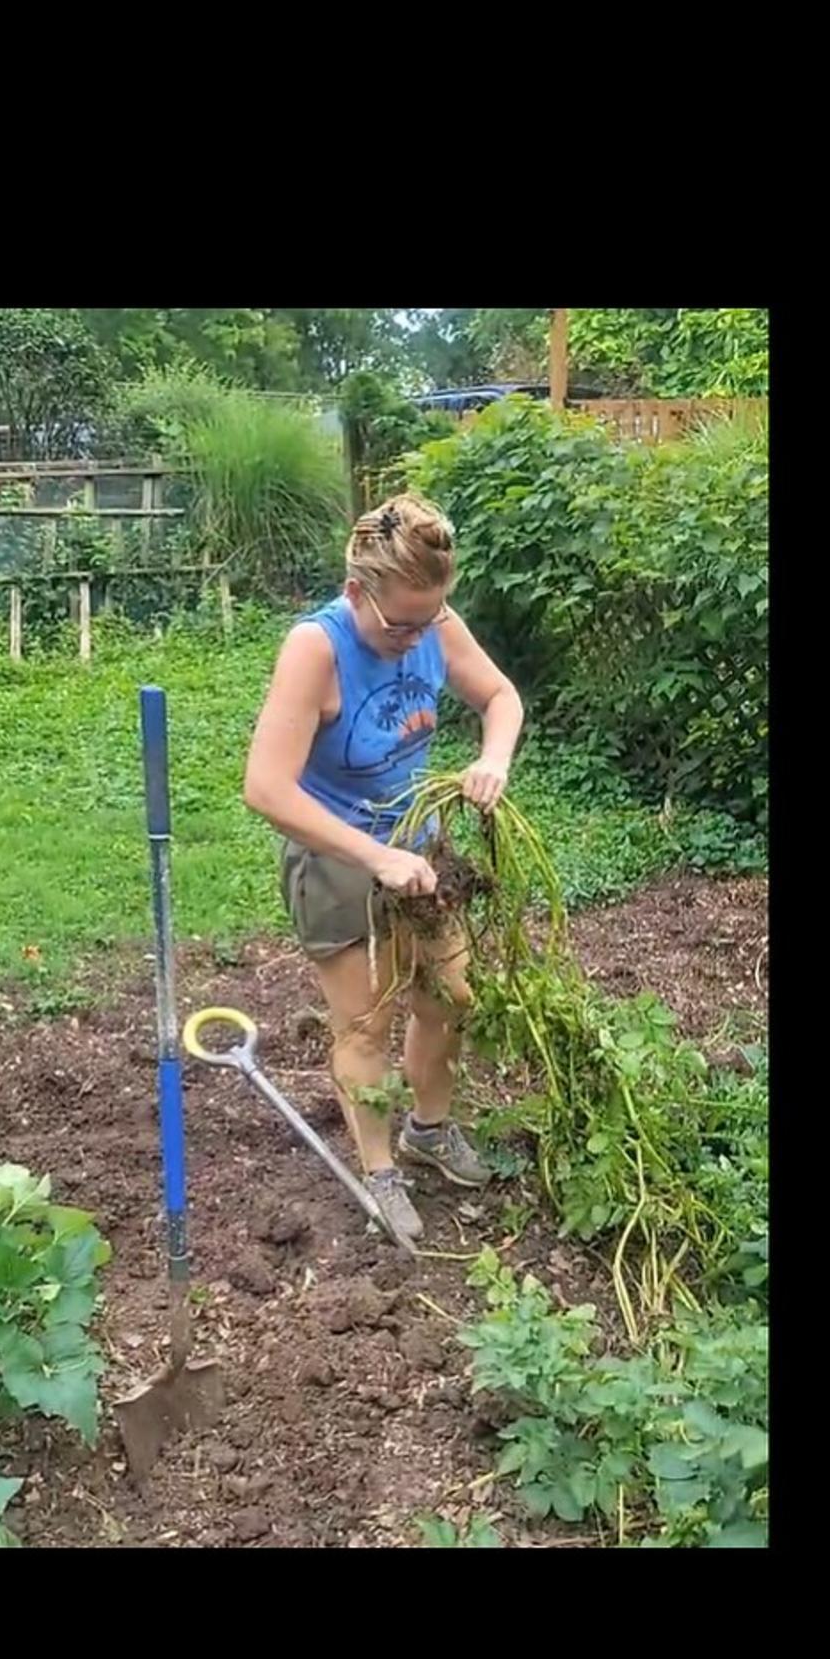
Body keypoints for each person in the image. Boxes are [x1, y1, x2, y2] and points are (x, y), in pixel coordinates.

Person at [244, 494, 523, 1242]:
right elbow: (266, 787)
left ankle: (428, 1133)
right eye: (398, 623)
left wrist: (491, 759)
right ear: (357, 592)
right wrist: (374, 857)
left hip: (420, 846)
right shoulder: (318, 648)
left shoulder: (430, 621)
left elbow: (499, 696)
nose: (413, 638)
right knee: (365, 1024)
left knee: (453, 994)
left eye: (426, 622)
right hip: (338, 854)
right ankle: (380, 1174)